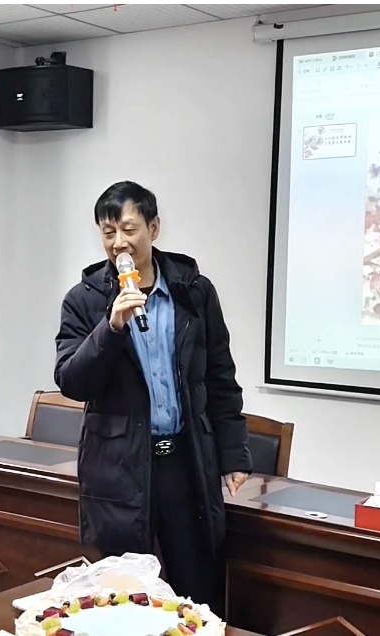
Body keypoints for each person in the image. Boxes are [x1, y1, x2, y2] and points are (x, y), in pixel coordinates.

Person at [54, 180, 251, 614]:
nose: (119, 243)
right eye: (108, 233)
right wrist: (110, 329)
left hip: (185, 462)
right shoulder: (85, 300)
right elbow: (71, 381)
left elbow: (220, 377)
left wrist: (233, 454)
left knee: (195, 591)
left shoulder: (193, 290)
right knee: (123, 597)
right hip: (120, 468)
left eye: (129, 230)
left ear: (154, 228)